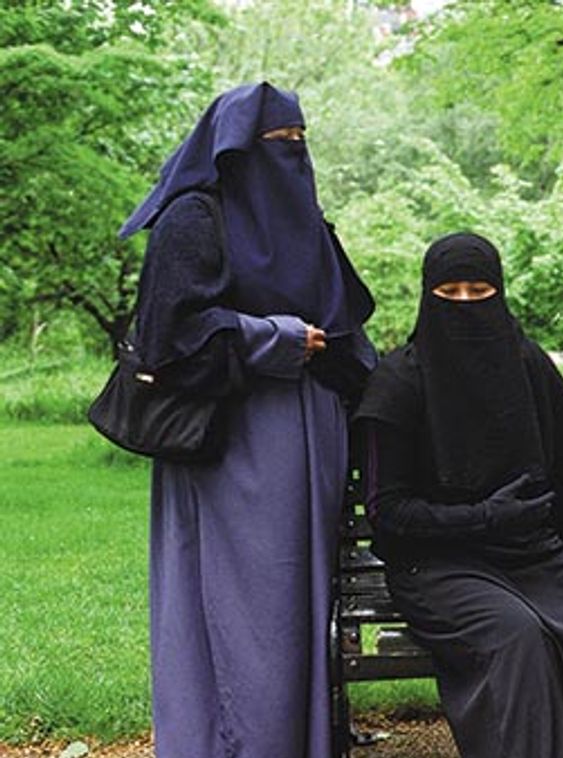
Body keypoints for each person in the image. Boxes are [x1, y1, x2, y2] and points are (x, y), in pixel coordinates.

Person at [352, 232, 563, 758]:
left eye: (479, 291)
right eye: (450, 293)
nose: (465, 304)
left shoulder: (527, 364)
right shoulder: (400, 380)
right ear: (426, 296)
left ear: (500, 294)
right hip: (438, 566)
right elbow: (388, 512)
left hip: (533, 554)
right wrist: (482, 517)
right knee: (518, 636)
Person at [118, 82, 377, 757]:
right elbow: (171, 333)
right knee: (240, 615)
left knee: (297, 616)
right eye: (276, 144)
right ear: (233, 152)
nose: (291, 155)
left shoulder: (308, 223)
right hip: (231, 447)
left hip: (310, 445)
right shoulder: (194, 218)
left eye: (299, 142)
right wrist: (277, 339)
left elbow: (348, 327)